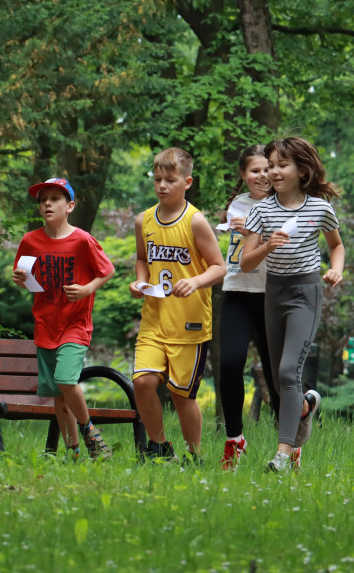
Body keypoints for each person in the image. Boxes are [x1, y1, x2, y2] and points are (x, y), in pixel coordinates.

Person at [240, 137, 344, 473]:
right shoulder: (261, 210)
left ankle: (283, 455)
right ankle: (305, 406)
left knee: (288, 372)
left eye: (281, 165)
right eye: (270, 165)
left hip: (306, 292)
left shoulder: (319, 208)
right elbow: (245, 262)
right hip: (275, 294)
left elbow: (336, 246)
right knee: (277, 377)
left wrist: (335, 270)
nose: (273, 171)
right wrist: (268, 245)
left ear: (302, 170)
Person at [128, 147, 226, 462]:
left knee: (181, 394)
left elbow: (218, 267)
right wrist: (140, 282)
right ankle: (159, 448)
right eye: (157, 179)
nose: (162, 185)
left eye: (170, 179)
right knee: (143, 382)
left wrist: (196, 281)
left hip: (190, 324)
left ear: (187, 182)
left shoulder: (195, 221)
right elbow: (142, 259)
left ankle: (194, 455)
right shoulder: (143, 220)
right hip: (154, 320)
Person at [12, 178, 116, 460]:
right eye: (43, 199)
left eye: (55, 198)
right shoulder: (30, 241)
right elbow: (25, 279)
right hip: (45, 325)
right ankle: (74, 452)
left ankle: (91, 434)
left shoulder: (82, 240)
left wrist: (86, 289)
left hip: (75, 325)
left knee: (66, 380)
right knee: (59, 394)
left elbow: (107, 271)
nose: (47, 203)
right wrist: (21, 280)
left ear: (69, 206)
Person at [217, 145, 279, 470]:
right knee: (229, 363)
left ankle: (287, 447)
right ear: (243, 175)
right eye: (255, 171)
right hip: (238, 292)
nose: (262, 176)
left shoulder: (286, 204)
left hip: (272, 296)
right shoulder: (237, 206)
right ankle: (234, 439)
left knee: (275, 372)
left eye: (268, 169)